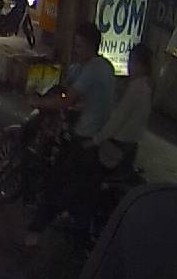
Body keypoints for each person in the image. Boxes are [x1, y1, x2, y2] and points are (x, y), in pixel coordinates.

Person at [22, 22, 116, 248]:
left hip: (84, 139)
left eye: (80, 46)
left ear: (91, 47)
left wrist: (39, 102)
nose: (76, 50)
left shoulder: (93, 69)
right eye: (75, 45)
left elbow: (67, 100)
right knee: (82, 193)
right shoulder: (103, 67)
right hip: (96, 137)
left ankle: (34, 233)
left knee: (57, 184)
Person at [92, 45, 153, 174]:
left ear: (142, 66)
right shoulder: (146, 86)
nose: (129, 66)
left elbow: (118, 119)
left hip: (119, 143)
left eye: (133, 62)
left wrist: (96, 140)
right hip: (131, 143)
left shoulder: (136, 89)